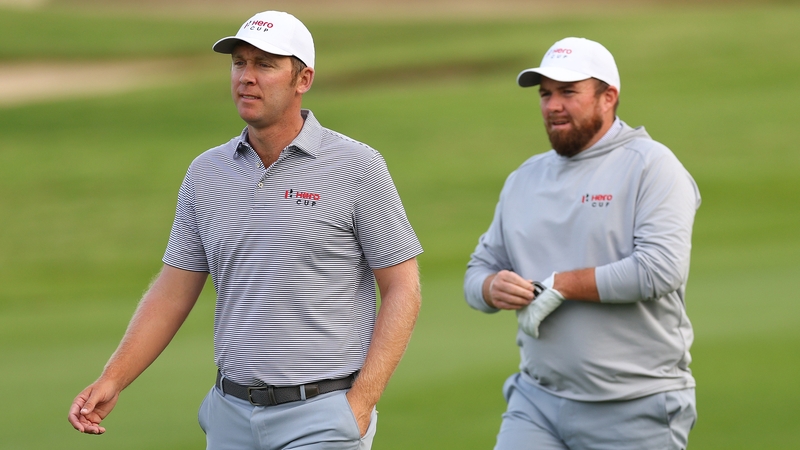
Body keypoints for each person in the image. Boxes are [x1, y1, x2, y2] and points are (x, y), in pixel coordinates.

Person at [68, 11, 423, 450]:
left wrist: (362, 403)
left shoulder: (357, 166)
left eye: (265, 64)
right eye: (239, 62)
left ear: (303, 79)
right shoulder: (206, 173)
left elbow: (403, 287)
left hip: (323, 414)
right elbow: (173, 290)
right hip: (230, 416)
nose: (246, 77)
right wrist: (114, 378)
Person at [464, 37, 700, 450]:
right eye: (545, 94)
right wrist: (491, 287)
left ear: (608, 97)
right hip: (537, 401)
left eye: (568, 92)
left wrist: (560, 285)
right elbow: (478, 271)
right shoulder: (524, 179)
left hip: (634, 405)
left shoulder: (652, 166)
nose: (552, 105)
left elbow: (660, 270)